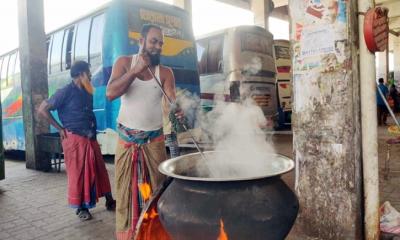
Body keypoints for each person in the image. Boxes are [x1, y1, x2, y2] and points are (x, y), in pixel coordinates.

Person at [106, 23, 182, 239]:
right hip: (127, 145)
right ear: (141, 41)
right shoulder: (123, 63)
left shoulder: (165, 72)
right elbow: (110, 93)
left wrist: (178, 110)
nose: (158, 46)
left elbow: (171, 98)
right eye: (153, 41)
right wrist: (134, 71)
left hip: (154, 144)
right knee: (125, 195)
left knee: (156, 193)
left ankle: (152, 234)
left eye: (161, 43)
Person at [38, 61, 116, 221]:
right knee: (78, 175)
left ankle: (109, 200)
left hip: (90, 138)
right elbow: (42, 109)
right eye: (88, 73)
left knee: (100, 170)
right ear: (80, 74)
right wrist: (60, 129)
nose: (91, 76)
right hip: (74, 140)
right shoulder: (64, 92)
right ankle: (81, 209)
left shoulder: (88, 92)